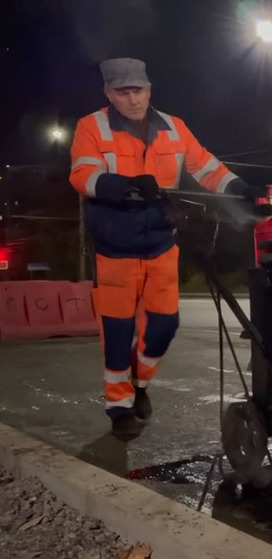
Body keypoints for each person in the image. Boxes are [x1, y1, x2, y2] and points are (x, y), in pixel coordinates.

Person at [69, 57, 259, 441]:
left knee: (164, 324)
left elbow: (206, 167)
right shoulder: (92, 127)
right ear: (109, 94)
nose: (133, 98)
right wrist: (122, 185)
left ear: (149, 89)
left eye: (138, 90)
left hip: (160, 242)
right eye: (123, 92)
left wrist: (238, 188)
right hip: (115, 248)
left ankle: (140, 382)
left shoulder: (173, 128)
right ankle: (120, 407)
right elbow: (82, 174)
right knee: (118, 332)